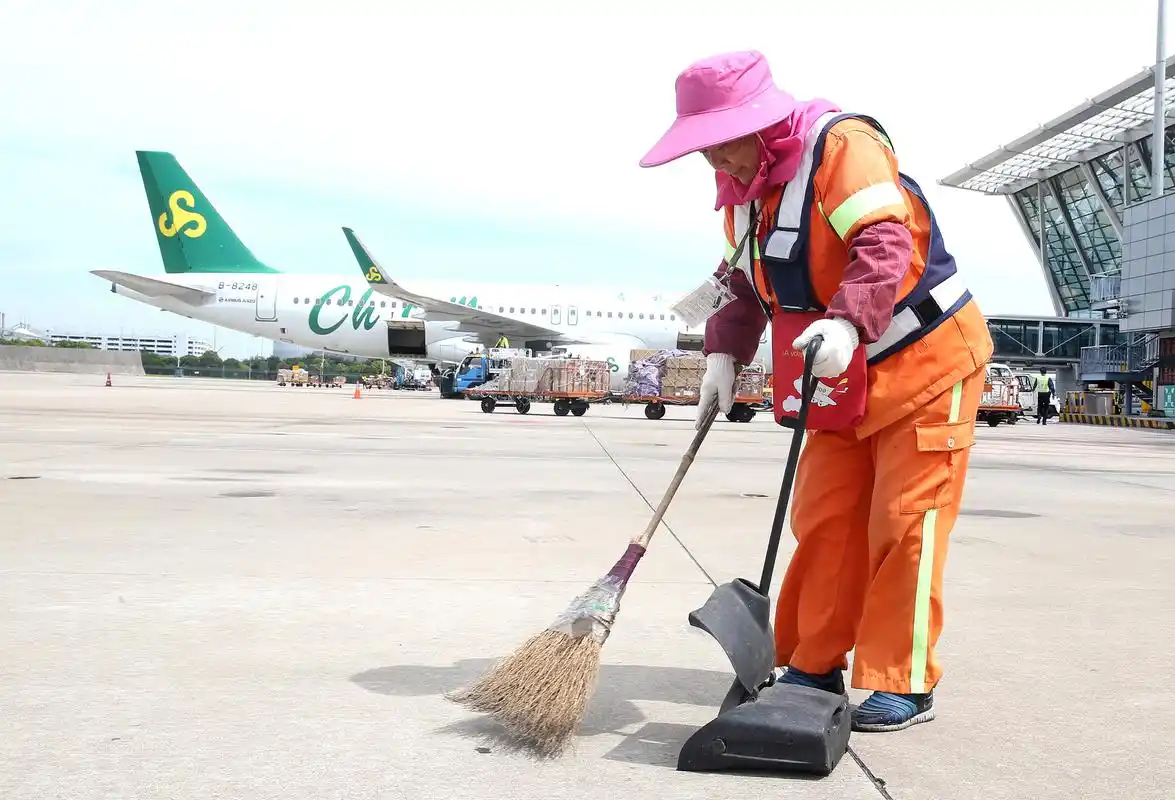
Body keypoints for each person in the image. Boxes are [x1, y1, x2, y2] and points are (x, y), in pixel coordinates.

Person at [640, 51, 994, 732]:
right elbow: (740, 284)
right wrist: (722, 353)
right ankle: (812, 658)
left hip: (926, 359)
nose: (716, 163)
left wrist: (846, 319)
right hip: (837, 375)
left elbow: (885, 243)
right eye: (702, 150)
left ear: (762, 125)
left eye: (722, 144)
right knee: (826, 518)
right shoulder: (742, 200)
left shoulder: (844, 148)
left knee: (903, 520)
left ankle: (903, 679)